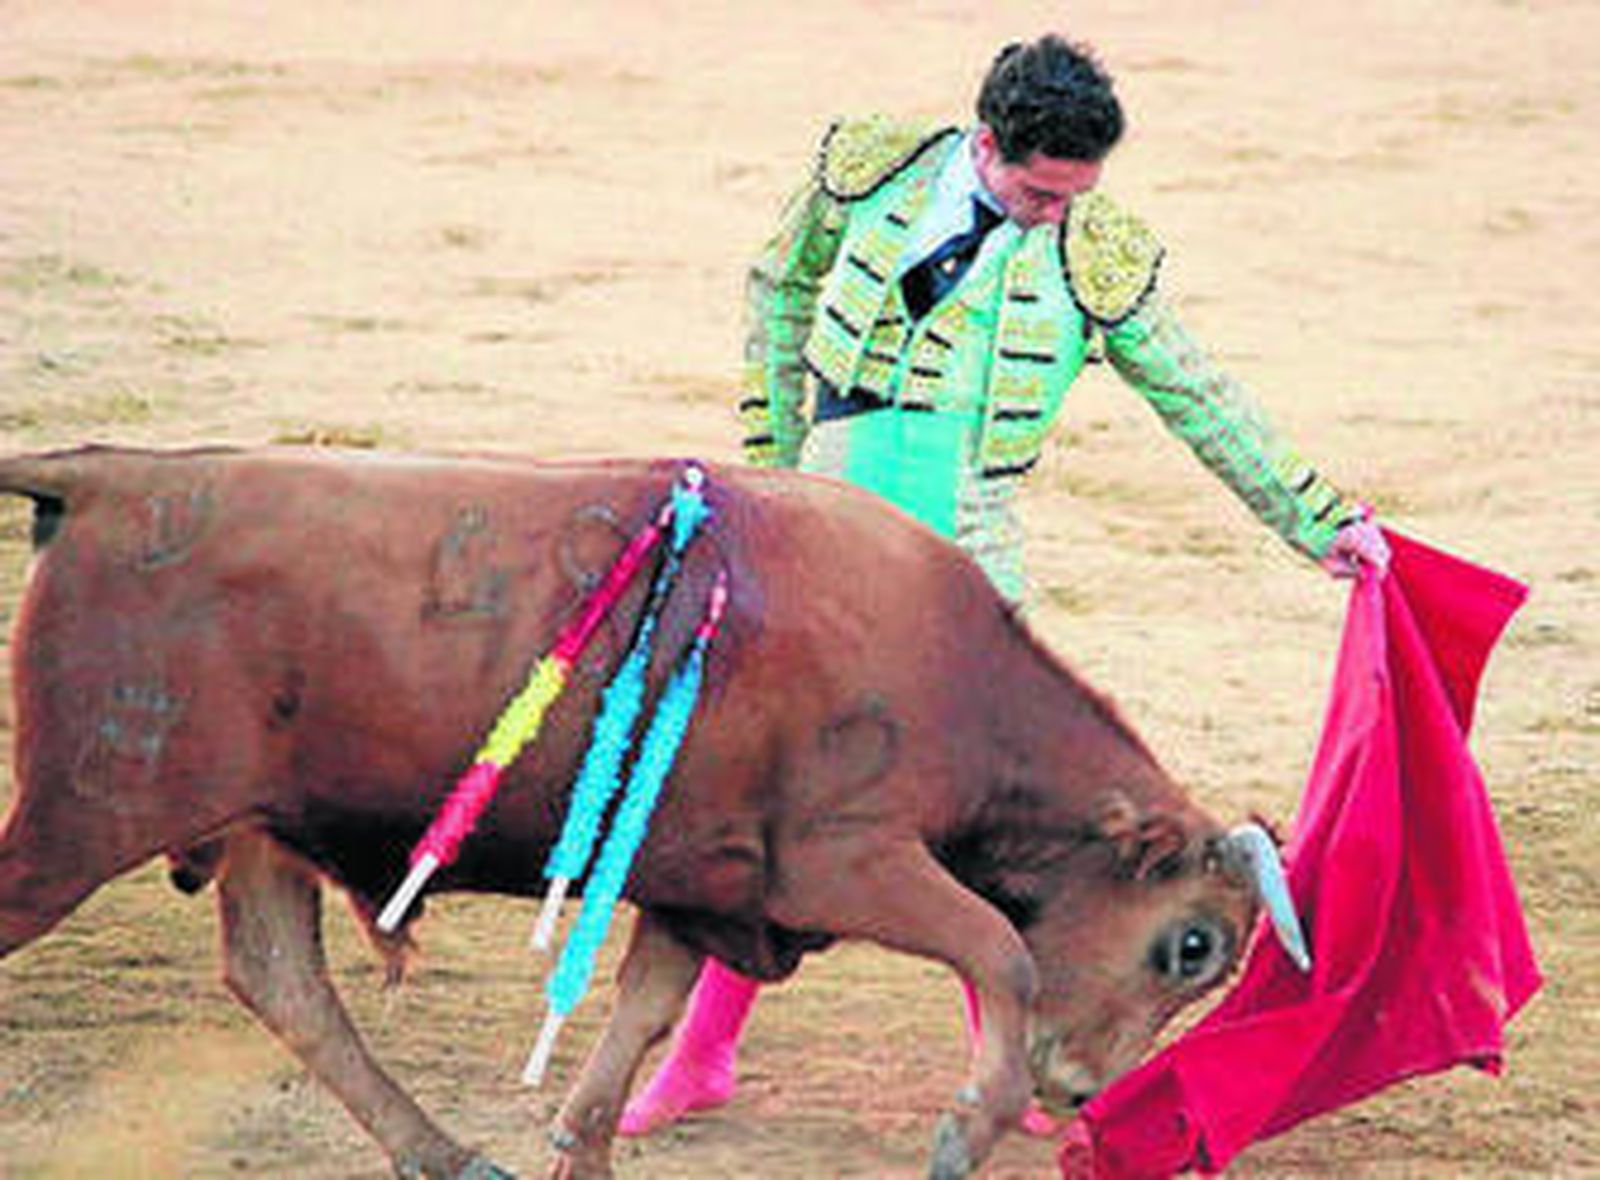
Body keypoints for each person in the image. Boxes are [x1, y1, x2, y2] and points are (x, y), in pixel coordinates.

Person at [620, 33, 1391, 1138]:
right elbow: (776, 289)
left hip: (966, 554)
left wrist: (1315, 517)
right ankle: (701, 1054)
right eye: (1035, 192)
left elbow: (1199, 396)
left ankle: (1006, 1066)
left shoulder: (1094, 254)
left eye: (1072, 196)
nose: (1050, 215)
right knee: (769, 796)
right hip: (824, 523)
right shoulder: (867, 170)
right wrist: (771, 458)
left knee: (984, 823)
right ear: (984, 144)